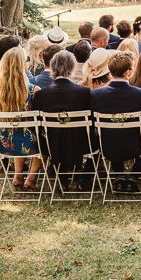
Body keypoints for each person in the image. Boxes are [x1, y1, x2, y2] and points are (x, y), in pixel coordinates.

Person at [91, 52, 141, 193]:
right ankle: (133, 177)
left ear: (110, 72)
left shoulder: (96, 94)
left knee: (113, 133)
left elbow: (94, 121)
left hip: (107, 146)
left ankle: (119, 175)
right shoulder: (140, 94)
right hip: (136, 146)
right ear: (128, 72)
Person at [32, 50, 92, 189]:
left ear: (52, 67)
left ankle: (62, 179)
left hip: (51, 144)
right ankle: (82, 177)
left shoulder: (41, 95)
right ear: (72, 68)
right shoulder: (84, 92)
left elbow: (37, 124)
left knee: (57, 134)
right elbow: (92, 119)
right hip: (81, 143)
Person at [0, 46, 41, 191]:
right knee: (43, 136)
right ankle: (31, 177)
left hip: (4, 142)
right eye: (26, 60)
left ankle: (18, 175)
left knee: (19, 131)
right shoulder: (33, 90)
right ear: (21, 65)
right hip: (29, 143)